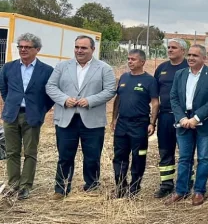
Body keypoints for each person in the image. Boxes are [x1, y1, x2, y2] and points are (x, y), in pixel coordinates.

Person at [46, 35, 116, 197]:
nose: (79, 50)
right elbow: (50, 86)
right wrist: (64, 99)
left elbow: (110, 90)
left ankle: (91, 185)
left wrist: (90, 100)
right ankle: (61, 188)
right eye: (77, 47)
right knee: (65, 155)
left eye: (83, 48)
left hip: (92, 120)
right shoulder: (62, 66)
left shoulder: (104, 68)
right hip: (66, 119)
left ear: (93, 49)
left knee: (92, 156)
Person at [164, 44, 208, 206]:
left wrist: (197, 118)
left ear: (204, 58)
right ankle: (181, 191)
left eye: (195, 55)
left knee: (203, 158)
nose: (190, 58)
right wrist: (182, 118)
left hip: (205, 122)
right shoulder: (180, 74)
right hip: (183, 122)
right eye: (189, 55)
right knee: (184, 158)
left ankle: (199, 191)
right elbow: (174, 98)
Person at [0, 33, 54, 200]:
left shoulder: (47, 71)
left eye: (27, 47)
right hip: (11, 115)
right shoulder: (8, 68)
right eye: (20, 46)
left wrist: (40, 110)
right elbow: (4, 90)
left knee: (30, 152)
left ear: (37, 49)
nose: (23, 49)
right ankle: (13, 184)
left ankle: (25, 186)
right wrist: (12, 104)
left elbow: (50, 95)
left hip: (32, 116)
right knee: (12, 152)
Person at [110, 50, 159, 198]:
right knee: (119, 156)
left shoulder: (149, 80)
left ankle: (134, 188)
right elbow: (118, 99)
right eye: (128, 59)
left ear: (142, 62)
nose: (130, 62)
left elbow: (155, 103)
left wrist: (152, 123)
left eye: (133, 59)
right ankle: (120, 187)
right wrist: (114, 119)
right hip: (122, 123)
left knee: (138, 157)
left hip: (139, 124)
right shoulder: (124, 77)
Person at [153, 38, 189, 198]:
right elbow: (154, 94)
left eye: (174, 47)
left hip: (184, 117)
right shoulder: (161, 68)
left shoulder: (190, 67)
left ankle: (187, 182)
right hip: (165, 116)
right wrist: (152, 120)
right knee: (165, 150)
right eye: (168, 47)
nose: (170, 50)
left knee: (185, 151)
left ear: (183, 51)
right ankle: (166, 184)